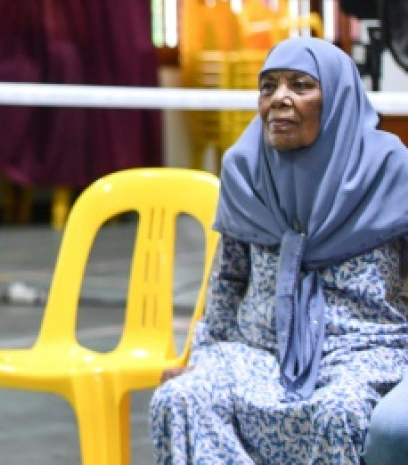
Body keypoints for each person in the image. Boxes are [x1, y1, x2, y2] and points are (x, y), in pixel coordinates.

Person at [149, 37, 408, 465]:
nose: (280, 99)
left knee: (340, 412)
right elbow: (228, 279)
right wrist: (202, 357)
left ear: (337, 99)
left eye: (300, 86)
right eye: (269, 86)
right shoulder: (246, 170)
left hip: (361, 353)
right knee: (180, 398)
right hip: (258, 352)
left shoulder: (388, 171)